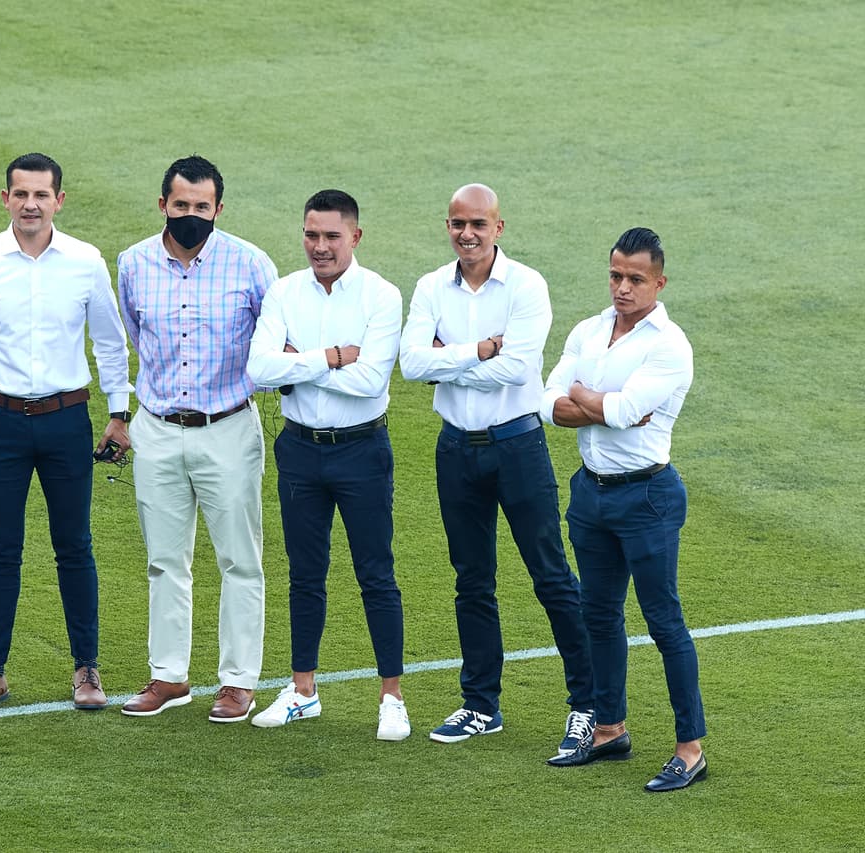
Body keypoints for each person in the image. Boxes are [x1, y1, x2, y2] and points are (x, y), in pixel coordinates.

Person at [399, 183, 595, 755]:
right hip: (456, 448)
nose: (467, 234)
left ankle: (590, 704)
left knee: (552, 576)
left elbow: (516, 372)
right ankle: (481, 705)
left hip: (517, 447)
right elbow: (411, 364)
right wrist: (479, 350)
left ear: (498, 228)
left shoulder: (527, 285)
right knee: (471, 580)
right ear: (448, 225)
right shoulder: (431, 285)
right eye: (458, 223)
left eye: (478, 224)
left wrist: (449, 359)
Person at [0, 152, 133, 713]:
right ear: (6, 199)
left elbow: (110, 342)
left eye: (41, 195)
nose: (30, 204)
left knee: (75, 546)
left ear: (58, 200)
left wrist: (118, 414)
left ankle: (87, 671)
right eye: (20, 194)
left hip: (66, 421)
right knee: (2, 549)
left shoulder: (85, 261)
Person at [542, 228, 705, 791]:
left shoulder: (670, 345)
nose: (623, 287)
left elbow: (625, 408)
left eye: (636, 278)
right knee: (599, 614)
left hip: (648, 497)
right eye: (616, 275)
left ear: (659, 282)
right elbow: (549, 404)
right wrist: (602, 405)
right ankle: (610, 728)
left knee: (664, 623)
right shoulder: (589, 329)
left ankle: (690, 748)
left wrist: (590, 399)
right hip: (591, 492)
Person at [246, 189, 410, 741]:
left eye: (331, 236)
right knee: (304, 574)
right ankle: (303, 691)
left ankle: (392, 697)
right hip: (299, 449)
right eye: (311, 235)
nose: (320, 246)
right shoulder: (284, 291)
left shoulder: (382, 296)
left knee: (376, 573)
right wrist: (334, 356)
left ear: (355, 237)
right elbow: (259, 369)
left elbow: (371, 383)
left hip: (362, 450)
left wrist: (296, 363)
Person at [116, 155, 275, 723]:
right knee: (164, 560)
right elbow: (135, 338)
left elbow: (272, 341)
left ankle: (238, 682)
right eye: (180, 206)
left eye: (201, 208)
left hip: (228, 426)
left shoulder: (251, 264)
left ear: (218, 210)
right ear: (163, 205)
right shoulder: (133, 264)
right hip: (157, 428)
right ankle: (169, 676)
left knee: (240, 560)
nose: (190, 215)